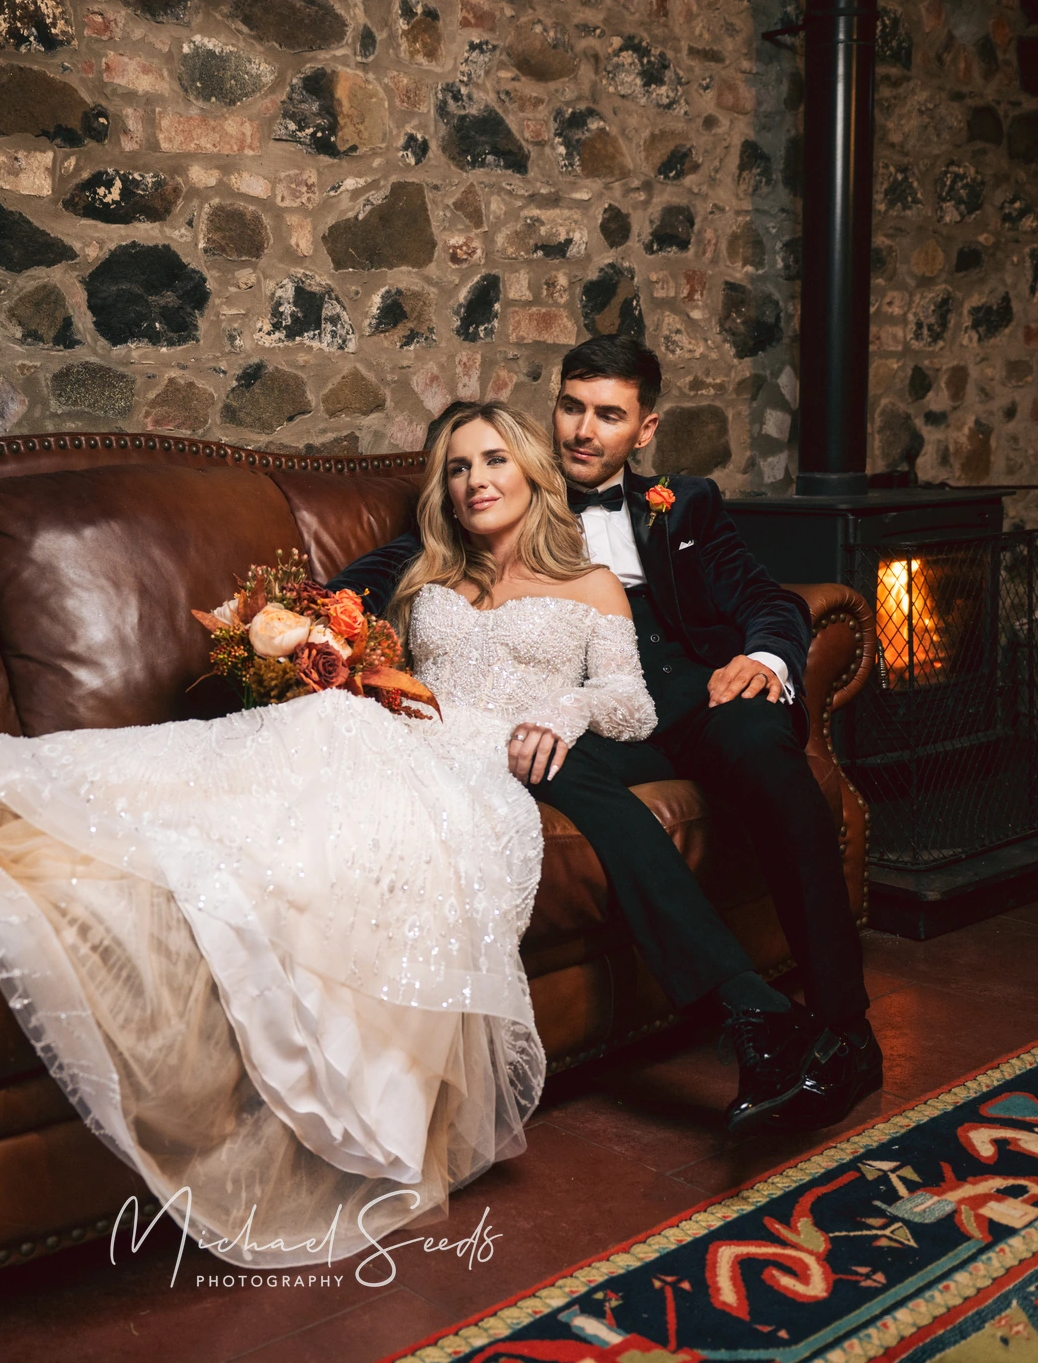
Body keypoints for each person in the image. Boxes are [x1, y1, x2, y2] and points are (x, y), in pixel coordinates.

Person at [0, 406, 653, 1269]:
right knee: (248, 748)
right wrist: (332, 655)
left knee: (305, 841)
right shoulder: (425, 575)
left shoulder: (594, 588)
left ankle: (15, 791)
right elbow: (348, 640)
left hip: (488, 767)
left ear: (531, 474)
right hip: (397, 732)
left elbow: (629, 701)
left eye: (492, 461)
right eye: (454, 466)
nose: (473, 480)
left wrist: (563, 718)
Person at [332, 339, 882, 1133]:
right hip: (586, 715)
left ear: (645, 427)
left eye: (609, 415)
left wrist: (760, 659)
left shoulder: (682, 505)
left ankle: (843, 1030)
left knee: (767, 751)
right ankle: (750, 1013)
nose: (584, 431)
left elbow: (769, 599)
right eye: (571, 407)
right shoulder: (500, 482)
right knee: (536, 753)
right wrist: (307, 613)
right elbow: (401, 560)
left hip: (699, 695)